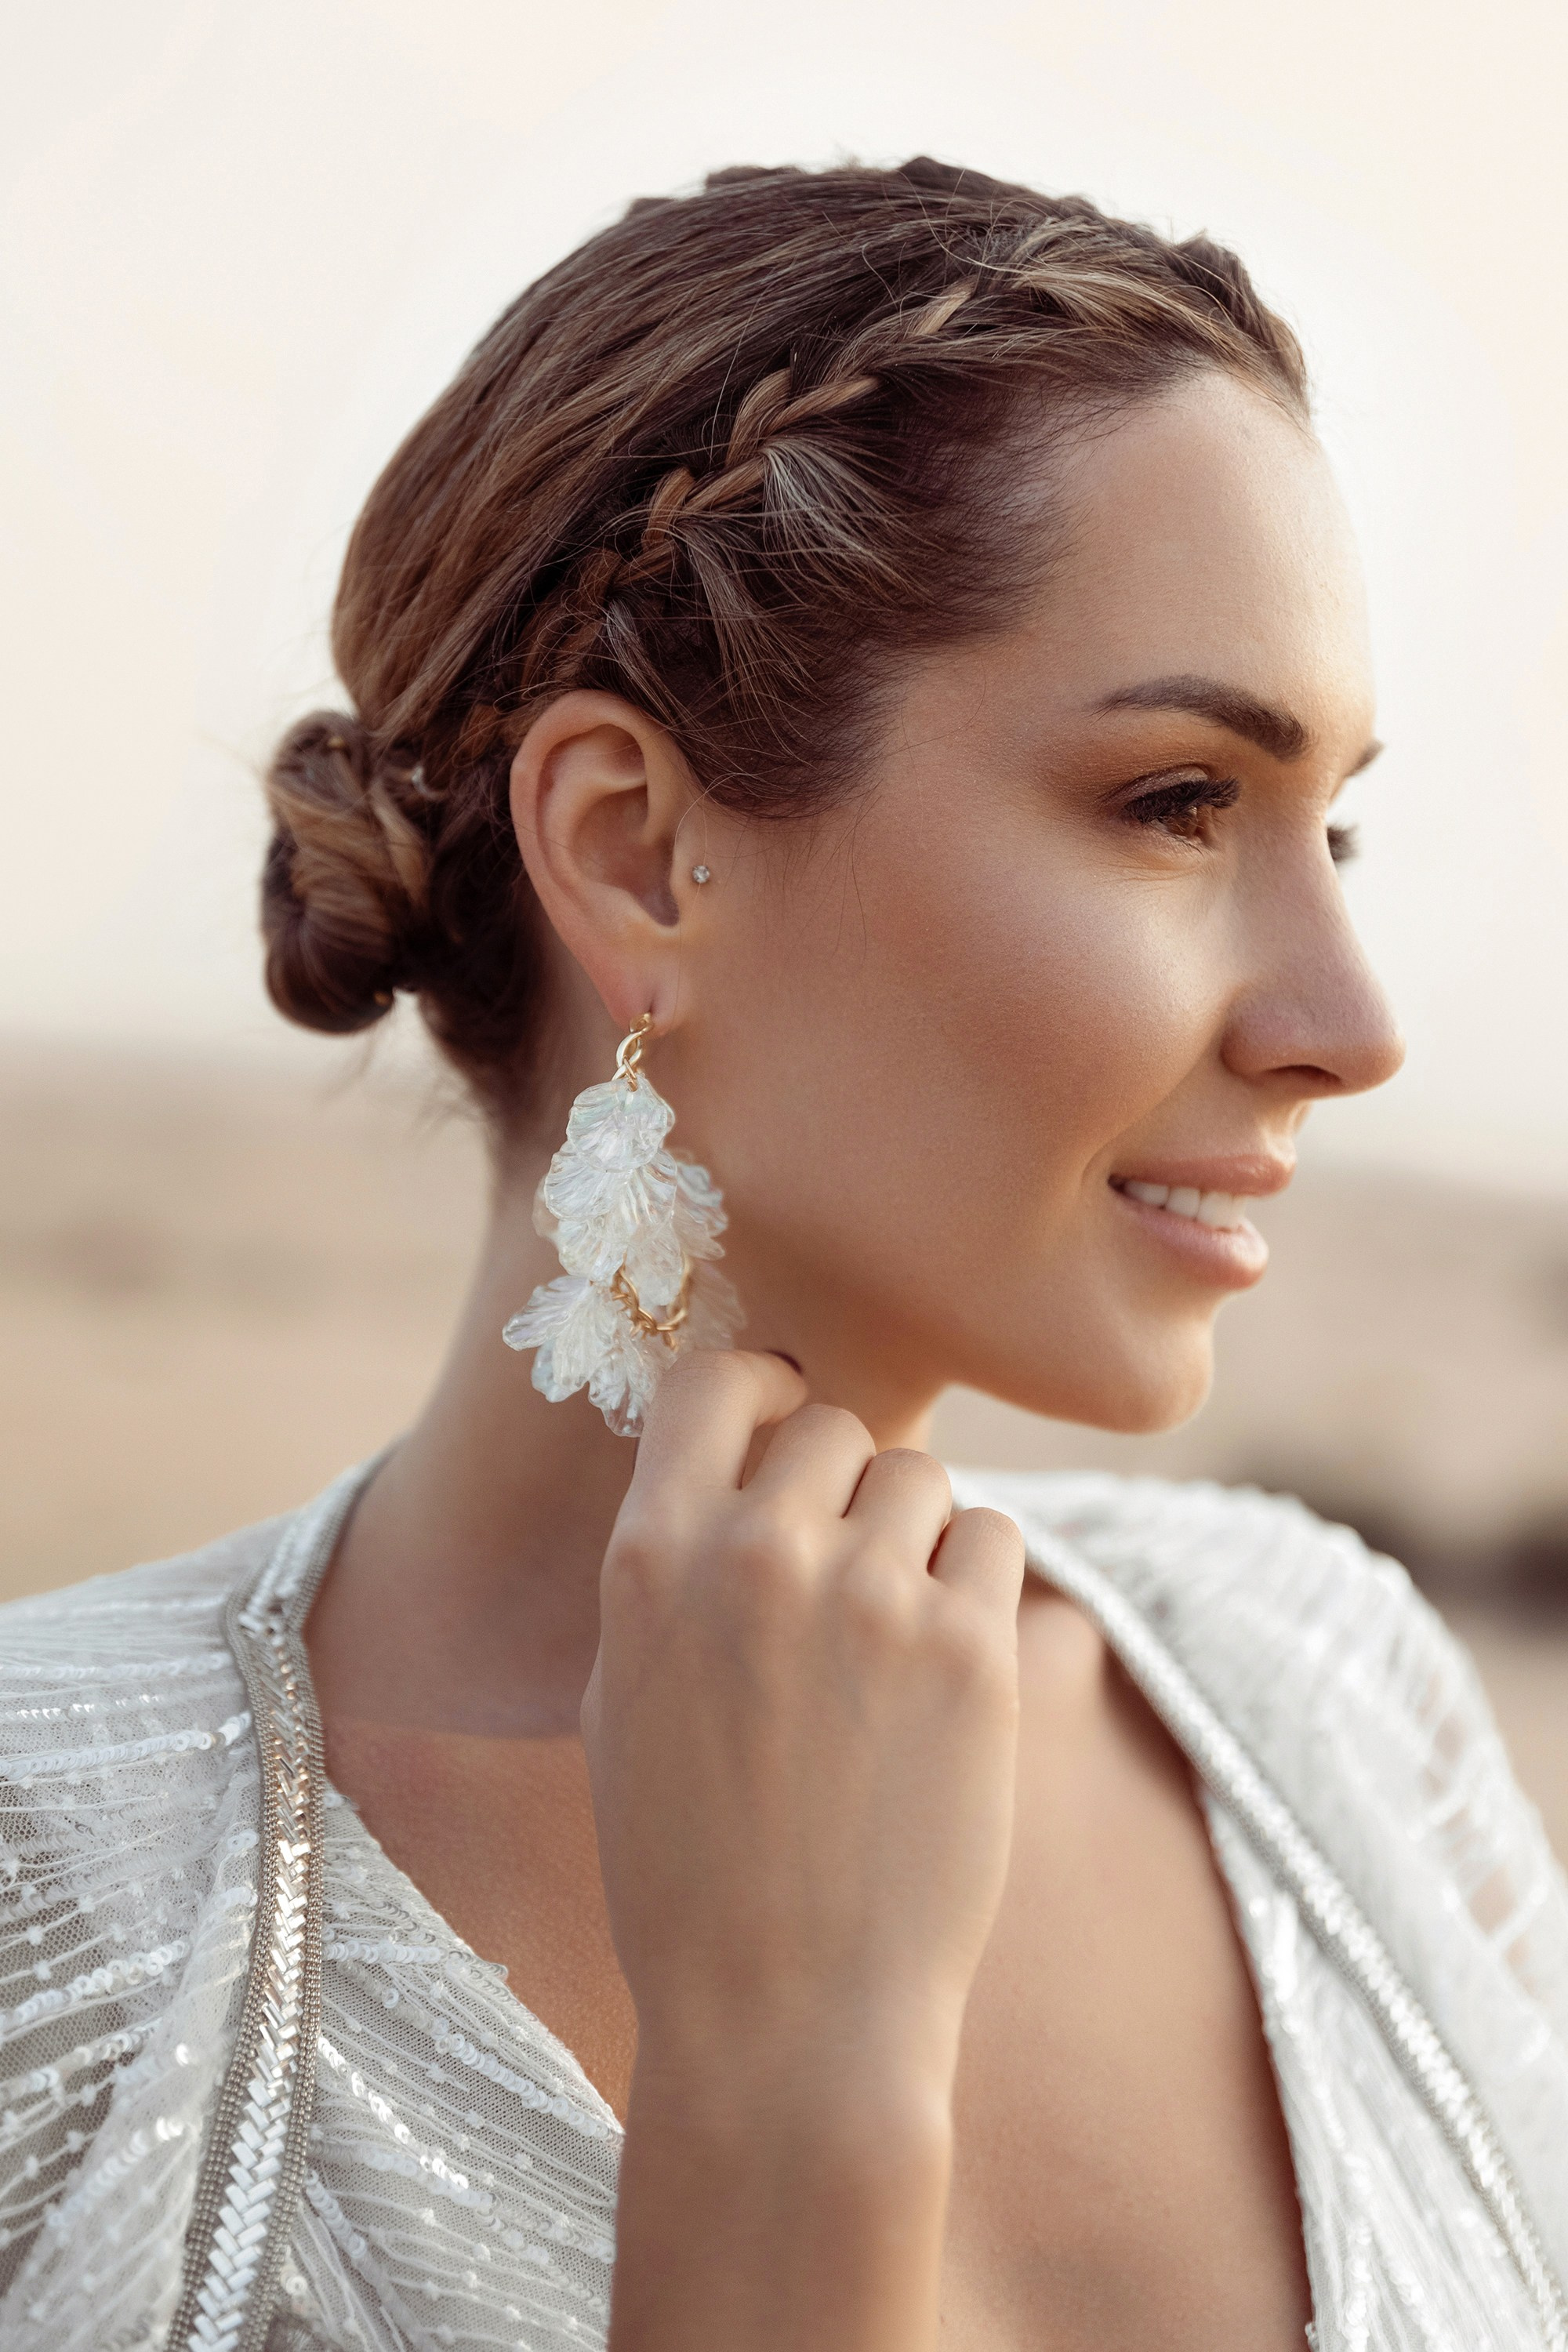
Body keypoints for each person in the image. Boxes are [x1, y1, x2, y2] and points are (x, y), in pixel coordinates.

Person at [2, 157, 1564, 2352]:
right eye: (1180, 803)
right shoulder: (50, 1907)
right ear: (638, 855)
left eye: (1340, 828)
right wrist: (785, 2120)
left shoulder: (1332, 1708)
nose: (1351, 1025)